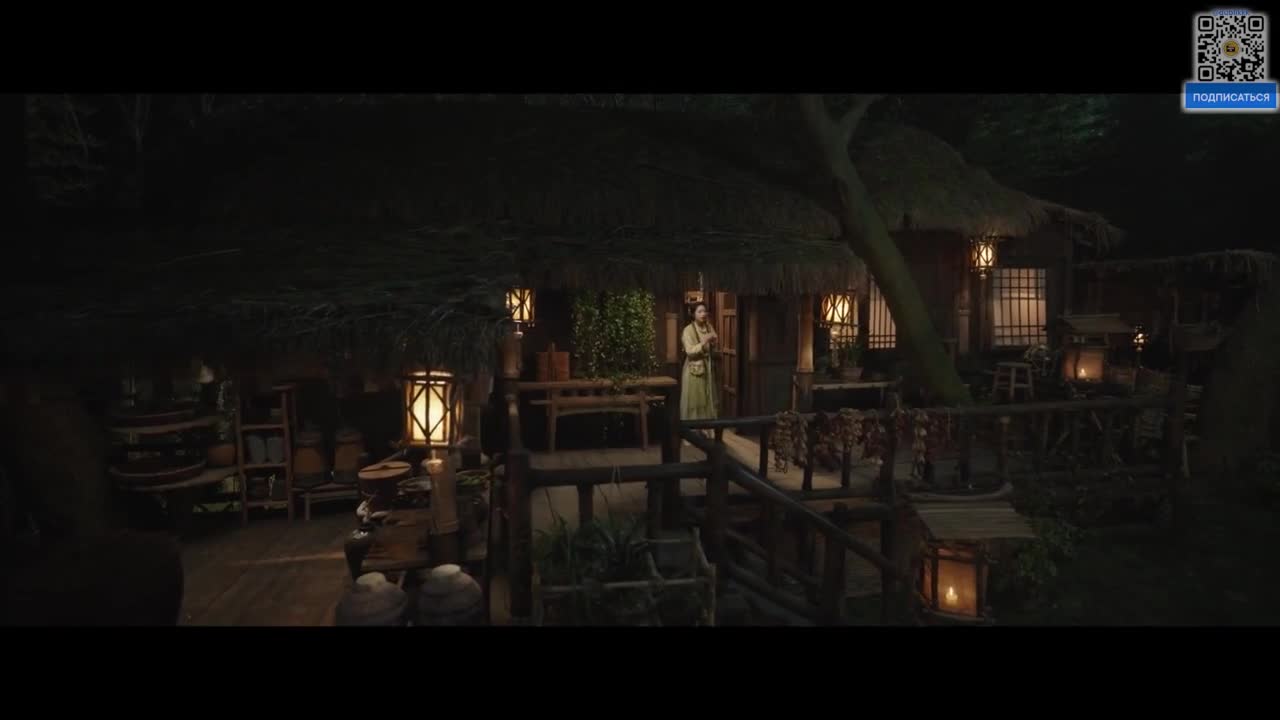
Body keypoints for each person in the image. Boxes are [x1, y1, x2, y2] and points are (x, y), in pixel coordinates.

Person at [680, 303, 720, 421]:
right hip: (694, 369)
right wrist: (703, 342)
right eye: (699, 312)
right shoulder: (688, 330)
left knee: (709, 398)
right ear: (693, 314)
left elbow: (714, 344)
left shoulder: (709, 327)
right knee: (696, 399)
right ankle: (694, 428)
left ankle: (708, 427)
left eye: (705, 311)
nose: (703, 314)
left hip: (708, 367)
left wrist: (713, 342)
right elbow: (689, 351)